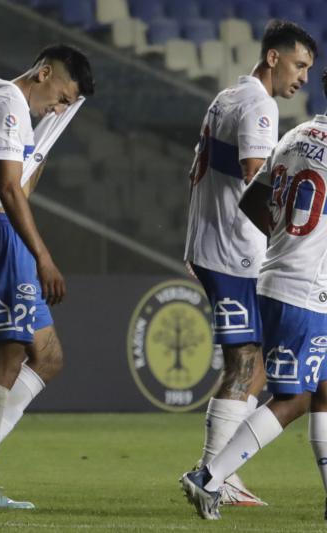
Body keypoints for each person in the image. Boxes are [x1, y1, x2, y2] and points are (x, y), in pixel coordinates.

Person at [0, 44, 94, 509]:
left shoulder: (1, 104)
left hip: (1, 233)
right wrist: (43, 256)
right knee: (6, 359)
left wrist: (40, 150)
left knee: (46, 357)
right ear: (44, 73)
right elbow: (11, 191)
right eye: (63, 97)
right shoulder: (8, 106)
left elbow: (22, 184)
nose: (60, 108)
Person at [182, 67, 327, 521]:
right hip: (307, 291)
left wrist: (288, 241)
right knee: (294, 399)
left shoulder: (296, 136)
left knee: (324, 390)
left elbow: (251, 200)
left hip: (277, 277)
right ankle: (210, 476)